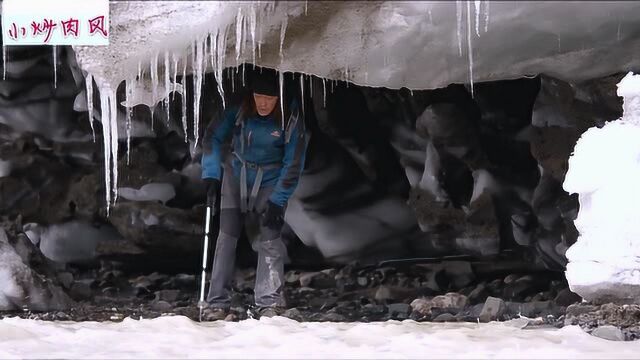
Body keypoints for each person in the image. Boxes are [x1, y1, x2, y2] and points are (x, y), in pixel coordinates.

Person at [200, 69, 309, 320]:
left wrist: (277, 201)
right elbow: (213, 136)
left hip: (270, 180)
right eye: (259, 96)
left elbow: (293, 163)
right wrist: (211, 175)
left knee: (270, 238)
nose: (263, 103)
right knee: (226, 237)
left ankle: (268, 303)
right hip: (236, 175)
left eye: (269, 99)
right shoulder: (239, 108)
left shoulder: (290, 119)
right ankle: (217, 302)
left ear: (278, 99)